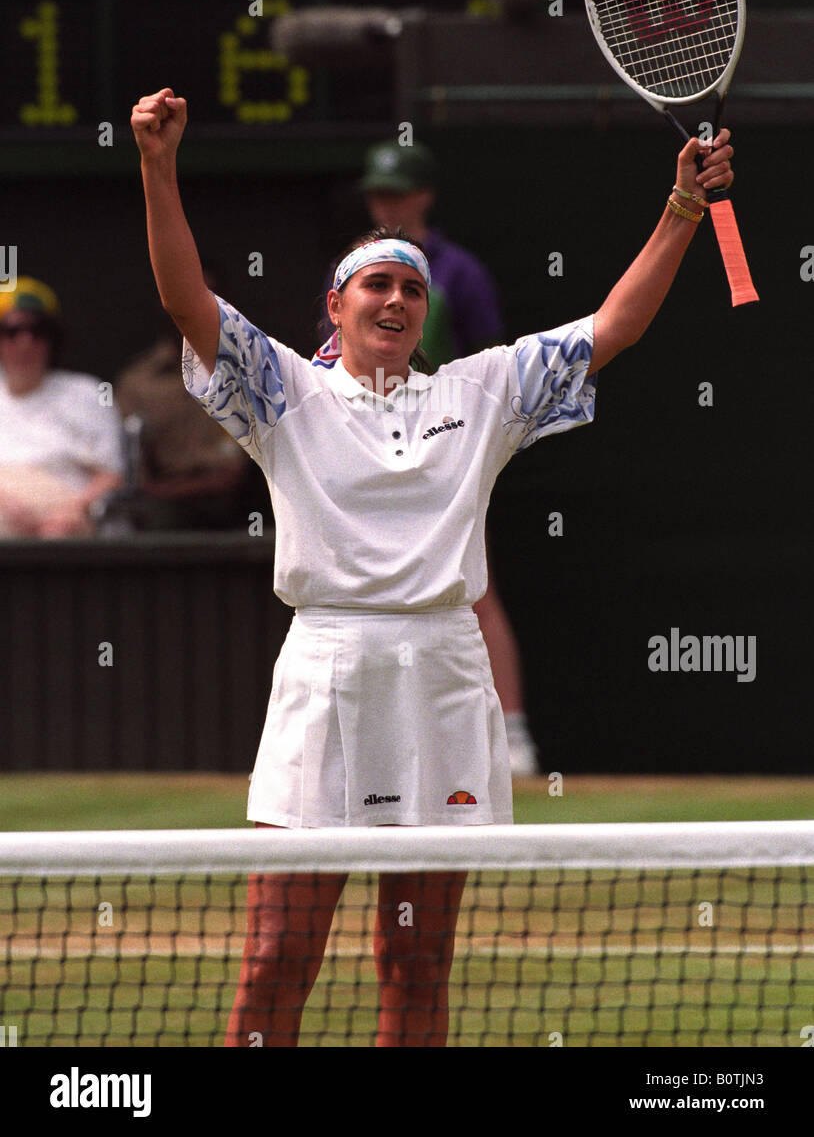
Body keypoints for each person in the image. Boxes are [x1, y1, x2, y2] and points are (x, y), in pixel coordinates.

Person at [130, 85, 733, 1047]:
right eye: (377, 284)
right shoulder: (285, 389)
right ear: (338, 305)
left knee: (415, 963)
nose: (398, 299)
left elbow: (614, 324)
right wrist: (159, 165)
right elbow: (185, 300)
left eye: (412, 288)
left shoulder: (482, 390)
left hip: (445, 683)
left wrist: (683, 211)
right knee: (278, 955)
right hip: (326, 677)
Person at [346, 139, 539, 775]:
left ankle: (511, 736)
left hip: (446, 447)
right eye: (379, 193)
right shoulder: (348, 270)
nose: (388, 203)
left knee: (474, 592)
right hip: (364, 450)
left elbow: (491, 366)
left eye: (398, 192)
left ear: (424, 196)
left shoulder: (461, 271)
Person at [114, 263, 252, 530]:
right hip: (161, 514)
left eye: (206, 298)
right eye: (184, 297)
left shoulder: (249, 372)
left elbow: (240, 472)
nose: (194, 308)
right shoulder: (137, 383)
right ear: (164, 303)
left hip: (240, 509)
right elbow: (133, 473)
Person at [0, 277, 124, 538]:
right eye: (12, 332)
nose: (25, 343)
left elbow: (114, 475)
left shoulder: (90, 392)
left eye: (38, 332)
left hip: (72, 528)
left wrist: (73, 512)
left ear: (52, 339)